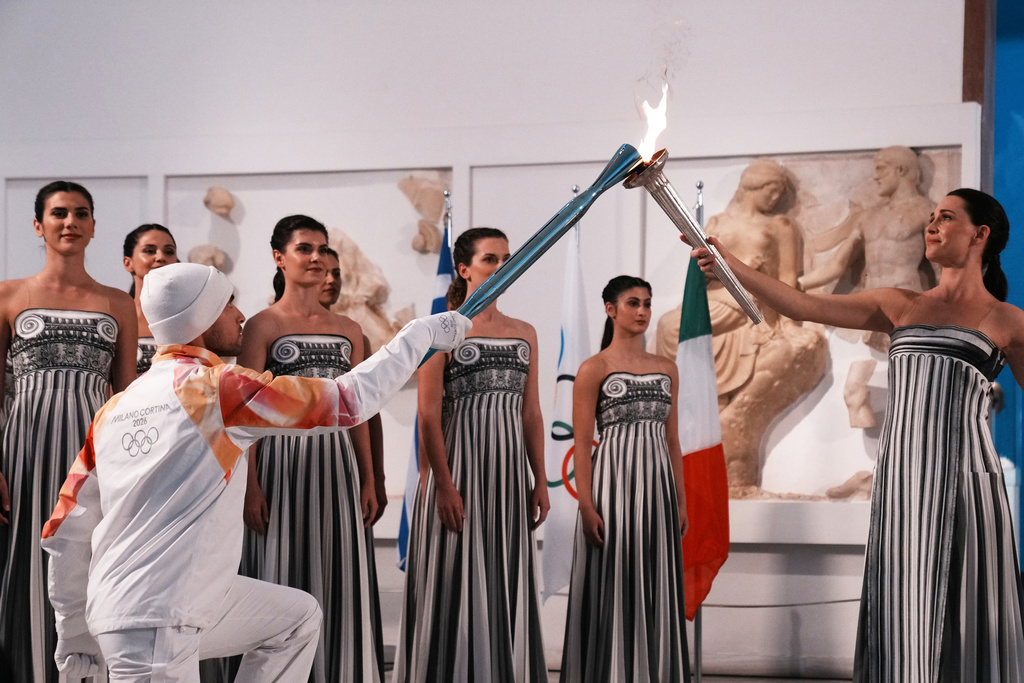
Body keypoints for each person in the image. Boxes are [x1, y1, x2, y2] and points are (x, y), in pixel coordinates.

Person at [40, 261, 470, 680]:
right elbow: (346, 401)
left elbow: (65, 529)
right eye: (228, 303)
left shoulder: (114, 409)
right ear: (202, 317)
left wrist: (73, 634)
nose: (240, 314)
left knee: (295, 620)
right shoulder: (216, 389)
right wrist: (420, 334)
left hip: (148, 605)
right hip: (156, 620)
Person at [690, 188, 1024, 681]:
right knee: (902, 605)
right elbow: (802, 305)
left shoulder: (1008, 321)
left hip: (966, 484)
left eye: (946, 217)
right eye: (931, 216)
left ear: (980, 234)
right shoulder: (898, 304)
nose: (932, 225)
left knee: (966, 606)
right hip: (902, 482)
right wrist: (728, 264)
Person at [394, 227, 549, 683]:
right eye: (490, 259)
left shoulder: (525, 332)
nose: (502, 267)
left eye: (506, 258)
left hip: (507, 478)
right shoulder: (439, 329)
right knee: (453, 578)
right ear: (463, 269)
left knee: (503, 577)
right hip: (458, 472)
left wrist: (540, 479)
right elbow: (427, 414)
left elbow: (531, 412)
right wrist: (443, 485)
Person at [0, 181, 137, 682]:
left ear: (94, 226)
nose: (70, 222)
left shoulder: (117, 303)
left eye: (81, 213)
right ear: (38, 225)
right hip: (24, 454)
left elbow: (127, 398)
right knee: (22, 563)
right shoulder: (7, 295)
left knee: (87, 564)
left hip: (93, 456)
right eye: (59, 213)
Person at [238, 216, 383, 682]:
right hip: (281, 466)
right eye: (305, 248)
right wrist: (250, 486)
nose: (317, 257)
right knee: (279, 571)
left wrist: (369, 477)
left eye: (322, 248)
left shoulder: (350, 329)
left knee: (339, 571)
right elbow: (244, 412)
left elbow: (357, 409)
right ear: (279, 258)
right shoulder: (261, 325)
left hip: (338, 465)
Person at [658, 159, 826, 494]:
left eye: (780, 191)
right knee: (667, 326)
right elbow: (700, 270)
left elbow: (787, 276)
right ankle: (695, 396)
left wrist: (787, 322)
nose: (775, 197)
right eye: (770, 189)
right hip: (712, 297)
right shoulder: (717, 222)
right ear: (751, 186)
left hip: (749, 300)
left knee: (674, 326)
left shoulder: (781, 225)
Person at [560, 276, 691, 683]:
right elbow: (582, 443)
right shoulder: (594, 369)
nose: (642, 311)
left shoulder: (667, 369)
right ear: (610, 309)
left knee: (656, 580)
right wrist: (586, 504)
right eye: (633, 303)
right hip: (613, 489)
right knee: (614, 581)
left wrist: (681, 500)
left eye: (647, 303)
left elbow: (672, 441)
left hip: (658, 492)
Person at [799, 146, 938, 428]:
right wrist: (793, 285)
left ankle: (912, 437)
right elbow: (836, 266)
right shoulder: (869, 216)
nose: (875, 176)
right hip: (870, 310)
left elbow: (941, 269)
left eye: (880, 169)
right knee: (854, 394)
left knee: (915, 393)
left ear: (901, 170)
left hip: (907, 309)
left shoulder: (926, 212)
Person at [122, 223, 179, 376]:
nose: (160, 257)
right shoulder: (117, 319)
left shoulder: (190, 322)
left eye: (169, 252)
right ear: (128, 263)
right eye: (149, 251)